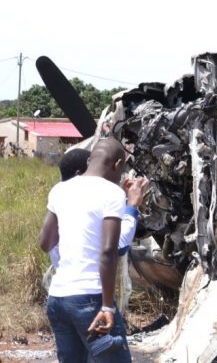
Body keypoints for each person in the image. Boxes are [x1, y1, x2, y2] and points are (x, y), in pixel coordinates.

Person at [39, 139, 133, 362]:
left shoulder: (60, 189)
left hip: (58, 298)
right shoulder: (113, 193)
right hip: (90, 298)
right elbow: (109, 251)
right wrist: (108, 306)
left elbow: (45, 242)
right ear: (118, 164)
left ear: (90, 159)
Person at [46, 148, 148, 271]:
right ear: (78, 175)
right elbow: (118, 246)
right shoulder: (78, 212)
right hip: (86, 287)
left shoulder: (64, 199)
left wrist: (121, 198)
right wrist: (132, 206)